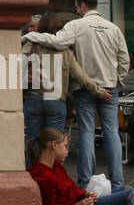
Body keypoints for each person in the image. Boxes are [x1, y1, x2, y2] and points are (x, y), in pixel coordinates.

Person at [24, 0, 129, 189]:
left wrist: (29, 36)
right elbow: (123, 59)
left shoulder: (76, 25)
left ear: (81, 6)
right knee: (112, 134)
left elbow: (56, 42)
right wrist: (118, 80)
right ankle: (117, 183)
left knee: (87, 132)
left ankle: (85, 181)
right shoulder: (113, 28)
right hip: (109, 86)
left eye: (76, 6)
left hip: (84, 88)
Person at [21, 12, 103, 163]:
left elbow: (18, 68)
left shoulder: (30, 45)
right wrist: (99, 91)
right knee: (55, 144)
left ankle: (31, 177)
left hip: (34, 98)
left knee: (32, 140)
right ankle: (52, 177)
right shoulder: (65, 51)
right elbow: (80, 76)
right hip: (56, 100)